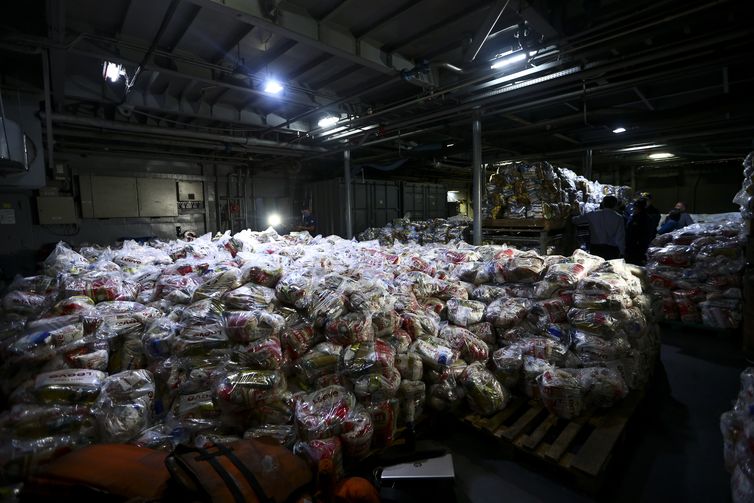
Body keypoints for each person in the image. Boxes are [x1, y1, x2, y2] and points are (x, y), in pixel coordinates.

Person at [571, 195, 625, 260]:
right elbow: (620, 236)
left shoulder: (593, 214)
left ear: (603, 203)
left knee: (597, 267)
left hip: (596, 248)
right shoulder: (619, 218)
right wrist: (622, 252)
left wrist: (573, 211)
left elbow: (575, 220)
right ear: (615, 204)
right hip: (612, 249)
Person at [625, 198, 654, 265]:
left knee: (634, 262)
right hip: (635, 245)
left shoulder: (642, 218)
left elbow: (644, 232)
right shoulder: (635, 216)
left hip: (637, 245)